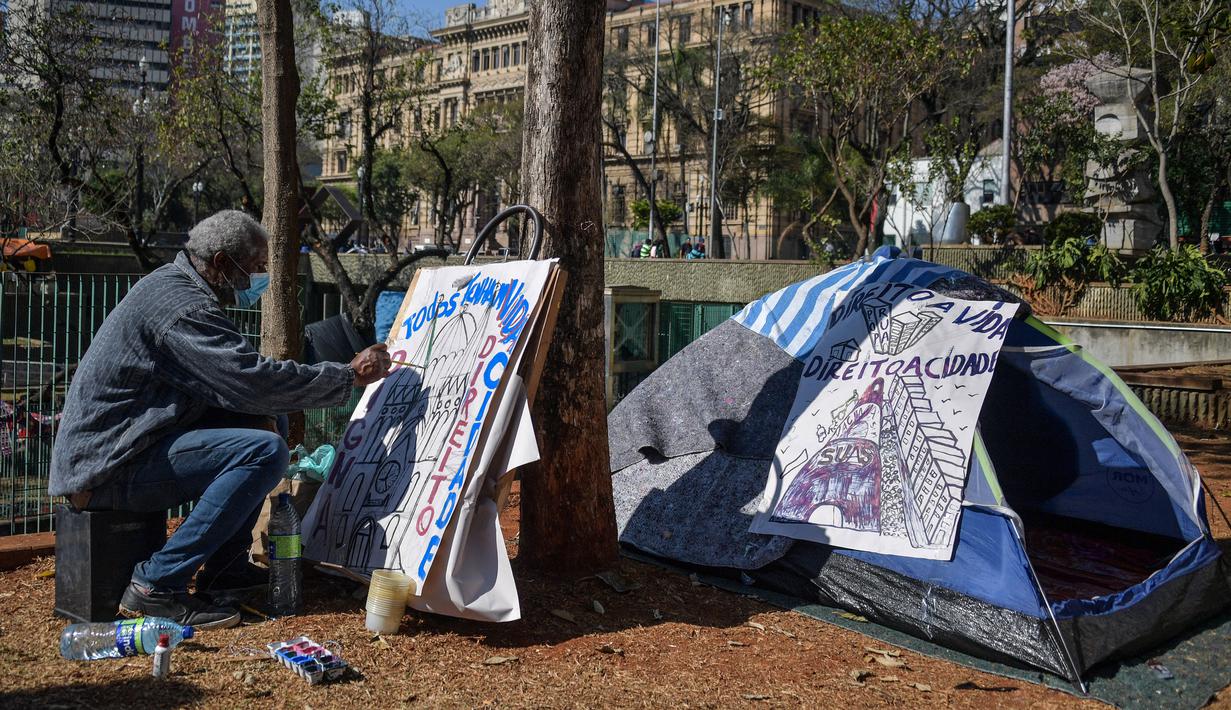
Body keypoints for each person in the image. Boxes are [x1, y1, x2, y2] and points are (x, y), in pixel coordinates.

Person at [48, 210, 392, 629]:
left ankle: (226, 569)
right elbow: (251, 379)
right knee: (264, 450)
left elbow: (245, 390)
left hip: (125, 449)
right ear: (222, 263)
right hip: (106, 469)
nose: (260, 279)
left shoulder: (175, 287)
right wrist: (346, 375)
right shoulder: (183, 309)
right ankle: (156, 584)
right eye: (256, 268)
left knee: (267, 421)